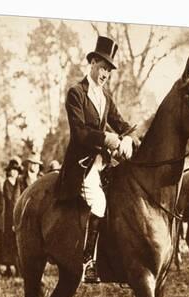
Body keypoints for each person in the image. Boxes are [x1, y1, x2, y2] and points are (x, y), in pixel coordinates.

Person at [56, 36, 135, 283]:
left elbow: (121, 123)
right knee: (99, 203)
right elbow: (79, 134)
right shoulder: (76, 93)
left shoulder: (105, 97)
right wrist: (108, 139)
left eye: (109, 71)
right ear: (92, 63)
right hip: (81, 165)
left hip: (101, 163)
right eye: (102, 67)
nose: (105, 74)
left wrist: (130, 137)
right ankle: (87, 262)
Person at [0, 159, 23, 276]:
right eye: (11, 170)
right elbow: (10, 200)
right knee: (10, 242)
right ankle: (11, 268)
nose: (13, 172)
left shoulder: (20, 183)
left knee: (19, 242)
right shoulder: (6, 183)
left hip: (19, 213)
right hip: (9, 215)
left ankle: (20, 269)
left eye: (15, 170)